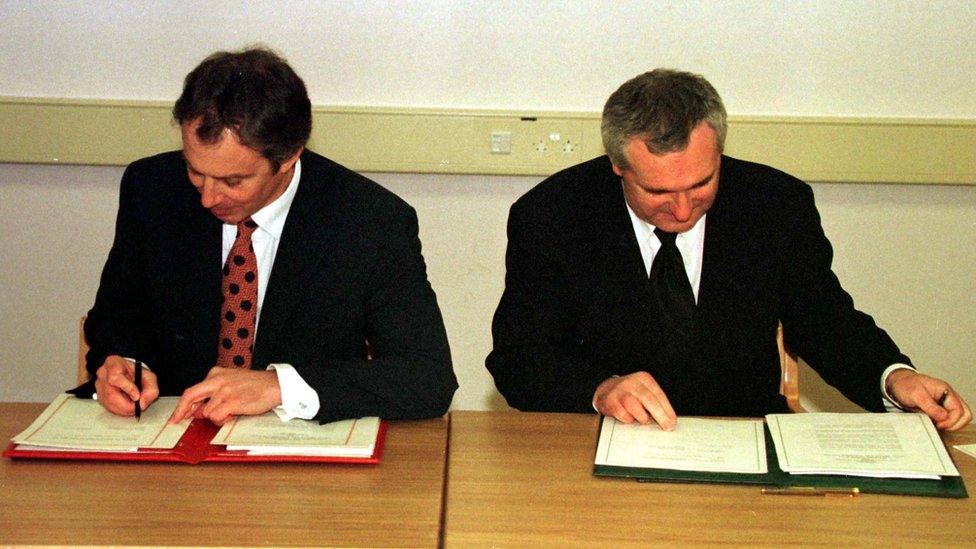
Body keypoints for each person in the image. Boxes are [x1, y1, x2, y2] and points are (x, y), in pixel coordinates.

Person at [486, 69, 970, 431]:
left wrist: (893, 377)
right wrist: (601, 389)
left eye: (701, 183)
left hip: (746, 441)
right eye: (657, 192)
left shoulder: (776, 205)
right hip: (605, 445)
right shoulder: (552, 216)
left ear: (719, 152)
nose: (681, 210)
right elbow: (518, 357)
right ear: (617, 165)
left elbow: (823, 319)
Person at [74, 47, 457, 425]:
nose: (207, 197)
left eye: (232, 181)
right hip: (171, 448)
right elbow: (114, 321)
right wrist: (123, 364)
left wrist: (278, 387)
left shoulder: (369, 221)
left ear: (288, 156)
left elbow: (427, 377)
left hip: (298, 465)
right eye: (195, 171)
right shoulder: (152, 190)